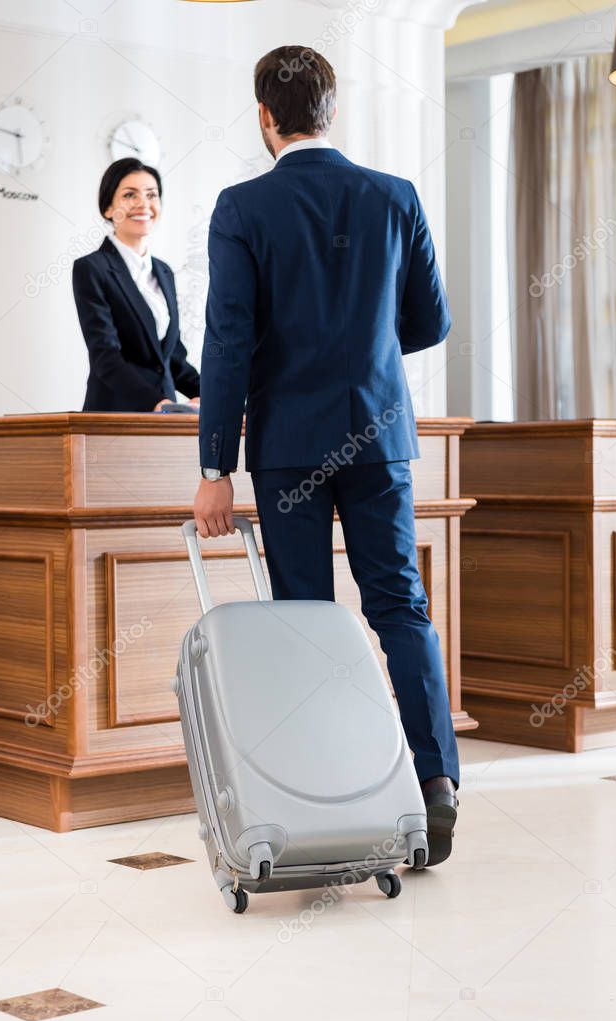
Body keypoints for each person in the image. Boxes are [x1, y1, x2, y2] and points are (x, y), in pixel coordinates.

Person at [193, 46, 459, 866]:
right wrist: (365, 346)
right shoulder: (393, 196)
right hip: (377, 435)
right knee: (399, 607)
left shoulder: (241, 207)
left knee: (303, 621)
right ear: (330, 109)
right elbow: (431, 322)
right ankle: (436, 783)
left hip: (287, 447)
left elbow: (229, 342)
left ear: (264, 117)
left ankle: (329, 799)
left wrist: (215, 467)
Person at [73, 158, 200, 412]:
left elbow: (172, 356)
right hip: (114, 416)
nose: (143, 204)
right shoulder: (92, 268)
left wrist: (211, 395)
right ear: (108, 208)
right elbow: (105, 356)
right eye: (130, 195)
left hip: (163, 420)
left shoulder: (164, 272)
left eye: (151, 195)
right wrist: (155, 402)